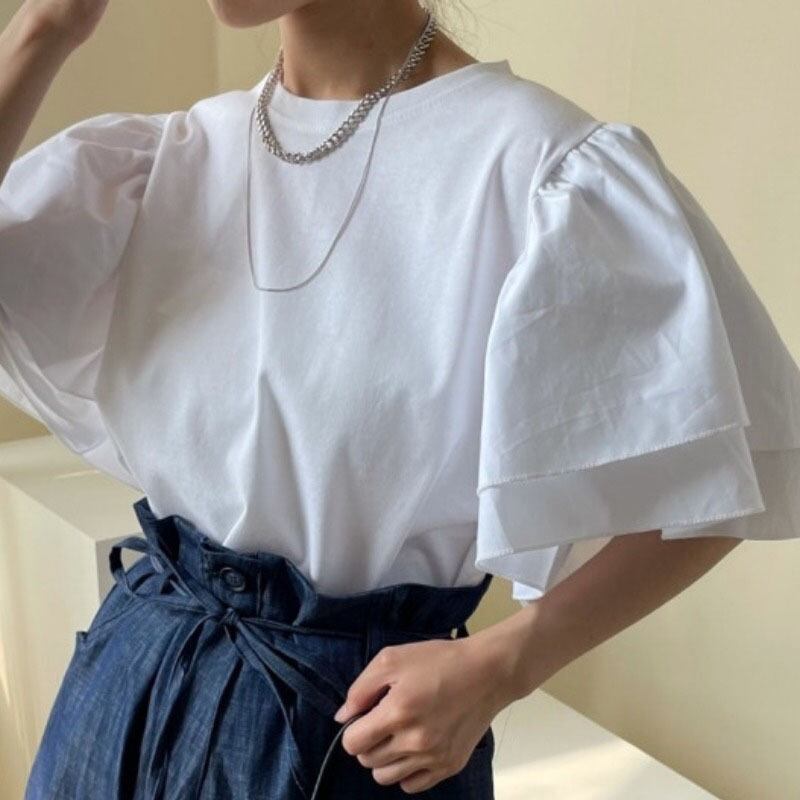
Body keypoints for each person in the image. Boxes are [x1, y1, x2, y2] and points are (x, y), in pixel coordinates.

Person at [2, 0, 799, 798]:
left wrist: (508, 662)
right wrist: (43, 28)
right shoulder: (173, 159)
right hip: (126, 688)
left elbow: (739, 468)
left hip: (346, 732)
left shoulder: (539, 168)